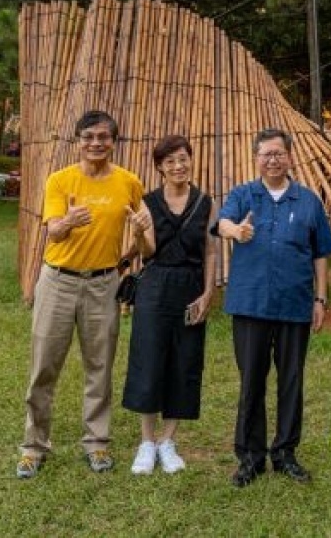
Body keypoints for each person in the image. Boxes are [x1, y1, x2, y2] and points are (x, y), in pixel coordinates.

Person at [16, 110, 146, 479]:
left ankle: (97, 443)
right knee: (44, 365)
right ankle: (34, 445)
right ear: (78, 141)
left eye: (103, 137)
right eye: (88, 137)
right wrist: (68, 222)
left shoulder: (128, 182)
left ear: (113, 142)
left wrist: (129, 255)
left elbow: (144, 227)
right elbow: (53, 231)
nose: (96, 143)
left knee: (100, 366)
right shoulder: (60, 181)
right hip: (58, 281)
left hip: (104, 285)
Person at [216, 128, 331, 487]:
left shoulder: (308, 201)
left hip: (294, 304)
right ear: (257, 158)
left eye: (279, 153)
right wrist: (235, 231)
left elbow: (320, 254)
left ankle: (285, 452)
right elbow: (222, 223)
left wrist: (320, 298)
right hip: (250, 303)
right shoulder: (243, 195)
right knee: (251, 381)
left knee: (291, 381)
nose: (273, 160)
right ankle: (251, 456)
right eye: (266, 154)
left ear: (289, 157)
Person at [123, 135, 218, 475]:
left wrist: (208, 293)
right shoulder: (148, 202)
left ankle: (168, 441)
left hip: (191, 286)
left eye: (183, 159)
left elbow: (209, 251)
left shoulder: (206, 202)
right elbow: (147, 253)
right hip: (155, 286)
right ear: (160, 168)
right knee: (149, 358)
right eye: (170, 162)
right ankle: (147, 442)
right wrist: (137, 234)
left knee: (185, 360)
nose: (178, 166)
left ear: (191, 160)